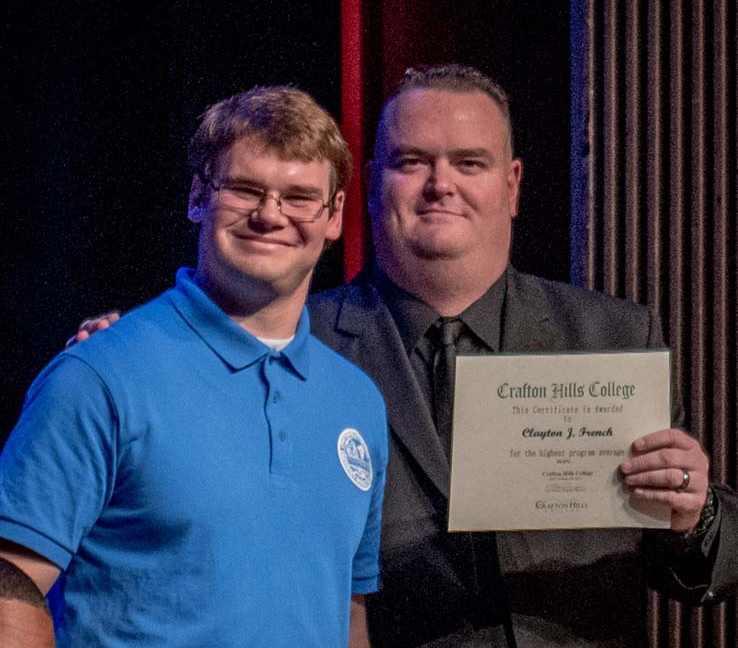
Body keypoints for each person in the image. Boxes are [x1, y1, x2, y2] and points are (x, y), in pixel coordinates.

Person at [67, 65, 738, 647]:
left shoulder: (613, 337)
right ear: (368, 183)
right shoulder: (293, 343)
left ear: (511, 184)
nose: (439, 184)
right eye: (410, 161)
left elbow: (712, 565)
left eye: (468, 163)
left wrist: (693, 511)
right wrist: (133, 353)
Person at [0, 87, 388, 648]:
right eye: (245, 189)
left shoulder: (357, 402)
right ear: (198, 196)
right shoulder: (99, 377)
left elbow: (346, 612)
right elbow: (11, 581)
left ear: (335, 217)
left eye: (300, 196)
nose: (270, 215)